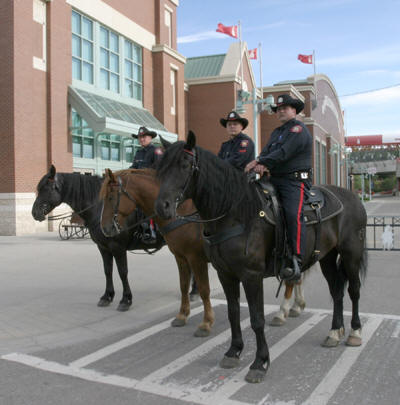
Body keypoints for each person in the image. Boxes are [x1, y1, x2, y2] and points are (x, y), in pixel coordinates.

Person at [245, 94, 312, 281]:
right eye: (279, 108)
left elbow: (283, 153)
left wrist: (259, 161)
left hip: (294, 182)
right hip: (274, 179)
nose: (281, 110)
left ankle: (296, 259)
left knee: (292, 214)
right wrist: (261, 163)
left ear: (294, 110)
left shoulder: (298, 130)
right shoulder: (277, 132)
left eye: (286, 107)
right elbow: (268, 153)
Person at [130, 126, 163, 243]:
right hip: (138, 187)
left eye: (144, 137)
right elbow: (133, 168)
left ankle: (151, 230)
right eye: (140, 137)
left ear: (150, 138)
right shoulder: (138, 153)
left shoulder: (156, 150)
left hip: (152, 186)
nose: (142, 139)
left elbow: (159, 169)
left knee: (147, 204)